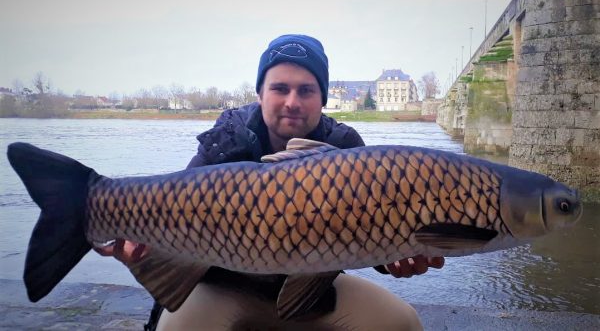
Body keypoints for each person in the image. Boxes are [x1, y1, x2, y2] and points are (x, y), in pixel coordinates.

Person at [95, 34, 444, 330]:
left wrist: (395, 257)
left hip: (316, 291)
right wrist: (142, 251)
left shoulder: (345, 148)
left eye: (306, 90)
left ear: (322, 99)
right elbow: (174, 218)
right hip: (223, 286)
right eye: (280, 88)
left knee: (404, 322)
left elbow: (370, 230)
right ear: (260, 93)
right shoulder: (225, 141)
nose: (292, 102)